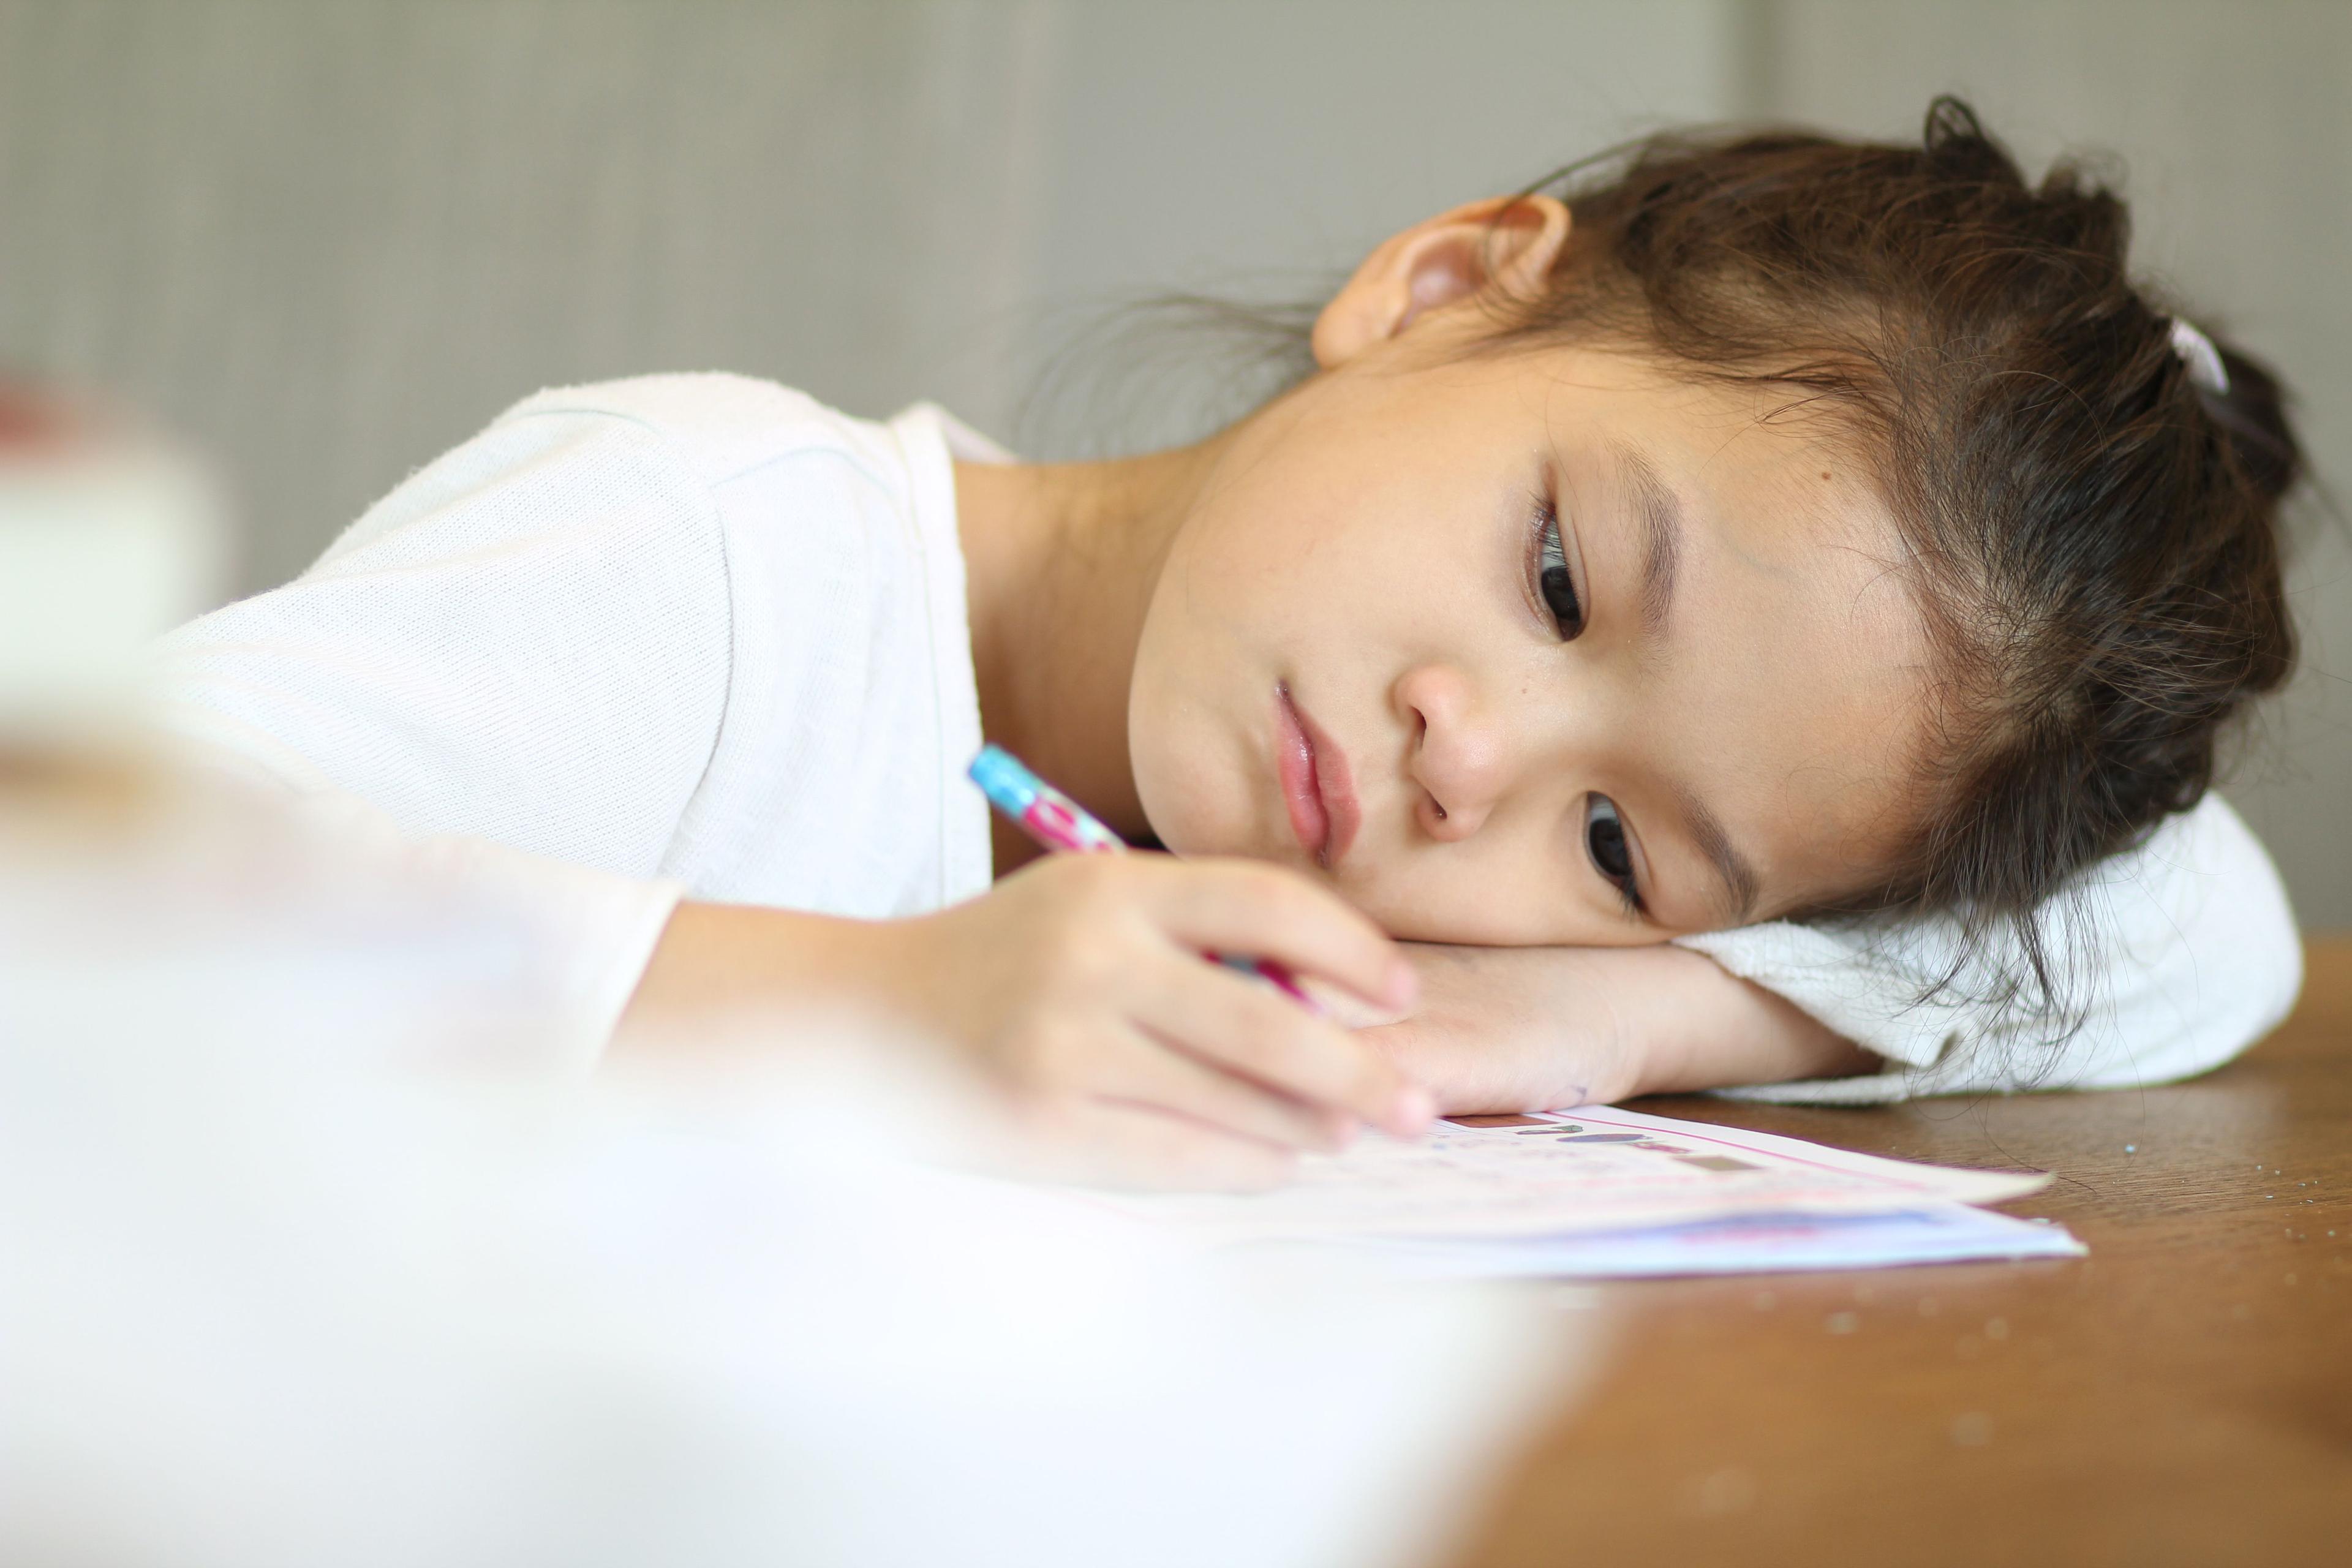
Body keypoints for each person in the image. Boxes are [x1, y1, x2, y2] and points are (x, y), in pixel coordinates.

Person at [156, 100, 2303, 1188]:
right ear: (1451, 284)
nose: (1479, 772)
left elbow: (2209, 930)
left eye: (1620, 843)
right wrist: (882, 1003)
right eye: (1560, 581)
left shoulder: (1449, 929)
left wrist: (1609, 1015)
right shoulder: (723, 551)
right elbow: (71, 886)